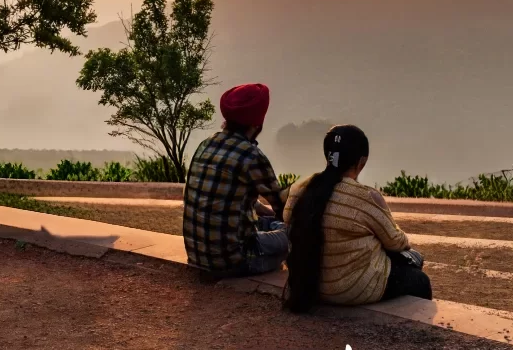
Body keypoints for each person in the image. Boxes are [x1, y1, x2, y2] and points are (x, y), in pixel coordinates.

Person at [282, 124, 432, 312]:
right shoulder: (365, 197)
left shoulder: (300, 189)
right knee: (419, 277)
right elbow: (396, 242)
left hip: (306, 285)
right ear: (361, 161)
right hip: (349, 290)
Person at [183, 83, 289, 277]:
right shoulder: (251, 155)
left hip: (197, 256)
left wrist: (268, 216)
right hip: (235, 261)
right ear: (258, 123)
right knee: (293, 234)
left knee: (270, 223)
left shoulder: (205, 144)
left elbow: (232, 198)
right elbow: (284, 207)